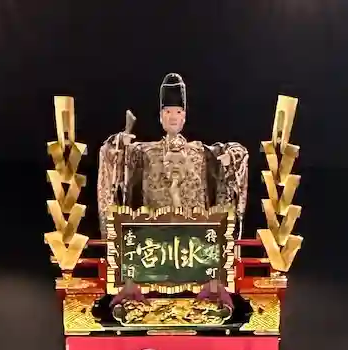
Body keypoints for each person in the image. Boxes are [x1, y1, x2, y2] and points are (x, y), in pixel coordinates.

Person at [97, 74, 248, 234]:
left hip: (196, 236)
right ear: (161, 116)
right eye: (168, 111)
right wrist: (120, 143)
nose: (173, 117)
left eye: (178, 112)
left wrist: (230, 159)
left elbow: (238, 152)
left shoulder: (200, 152)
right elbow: (113, 158)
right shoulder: (145, 152)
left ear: (184, 116)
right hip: (154, 236)